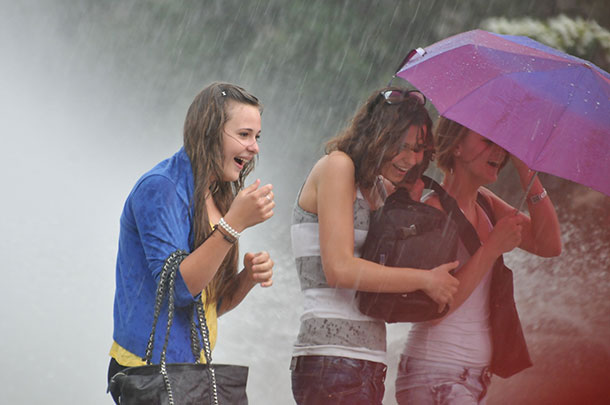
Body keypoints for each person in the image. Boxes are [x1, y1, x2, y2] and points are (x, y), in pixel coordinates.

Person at [289, 87, 460, 405]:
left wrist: (405, 207)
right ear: (377, 136)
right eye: (402, 147)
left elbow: (381, 282)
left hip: (367, 363)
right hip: (332, 359)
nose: (411, 159)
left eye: (420, 149)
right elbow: (339, 269)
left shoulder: (376, 190)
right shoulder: (337, 166)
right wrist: (426, 279)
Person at [107, 82, 275, 403]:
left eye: (257, 136)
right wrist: (233, 225)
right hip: (148, 372)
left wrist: (246, 279)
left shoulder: (218, 193)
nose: (254, 147)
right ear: (209, 132)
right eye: (243, 135)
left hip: (189, 371)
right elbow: (177, 291)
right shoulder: (161, 188)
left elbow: (209, 305)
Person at [395, 116, 562, 404]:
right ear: (456, 146)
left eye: (502, 144)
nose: (499, 151)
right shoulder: (433, 211)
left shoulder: (485, 202)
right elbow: (437, 311)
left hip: (472, 380)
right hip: (435, 375)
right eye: (488, 141)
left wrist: (527, 168)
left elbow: (549, 245)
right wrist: (492, 247)